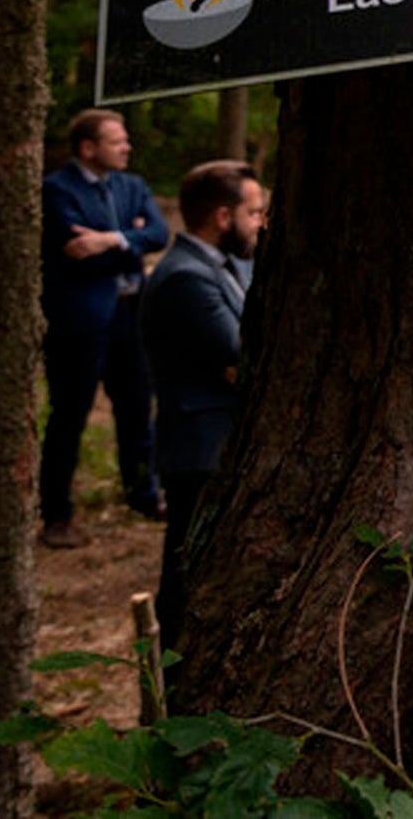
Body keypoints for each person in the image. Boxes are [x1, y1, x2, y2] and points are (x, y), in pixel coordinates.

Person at [140, 160, 266, 650]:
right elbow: (243, 356)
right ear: (222, 216)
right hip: (198, 449)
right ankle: (173, 679)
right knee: (186, 573)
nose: (260, 223)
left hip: (220, 443)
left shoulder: (227, 266)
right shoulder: (185, 278)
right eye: (253, 213)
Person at [39, 108, 171, 545]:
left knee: (136, 409)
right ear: (88, 148)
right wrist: (130, 240)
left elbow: (158, 234)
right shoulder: (57, 189)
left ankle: (143, 494)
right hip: (80, 321)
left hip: (132, 316)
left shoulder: (132, 186)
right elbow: (73, 249)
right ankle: (56, 514)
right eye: (117, 141)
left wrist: (108, 239)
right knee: (69, 415)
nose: (127, 147)